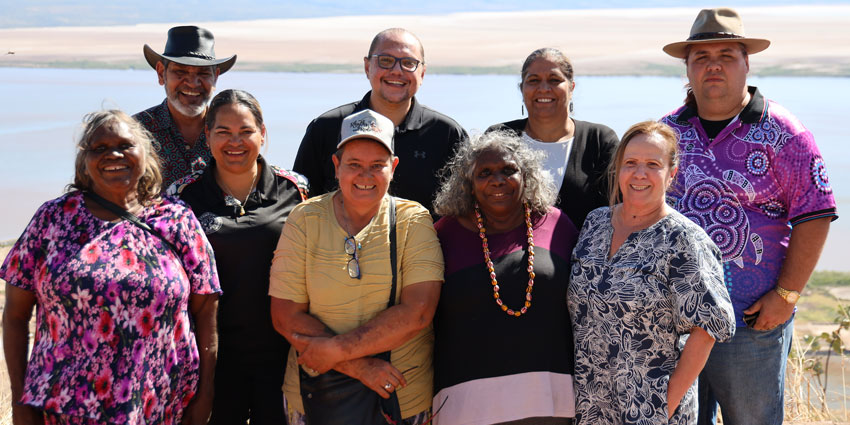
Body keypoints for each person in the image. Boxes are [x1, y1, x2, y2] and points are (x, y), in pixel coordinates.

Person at [660, 8, 838, 424]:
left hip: (751, 321)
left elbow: (815, 215)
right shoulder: (667, 133)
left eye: (726, 54)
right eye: (701, 57)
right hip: (677, 321)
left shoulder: (784, 132)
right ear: (688, 68)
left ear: (746, 63)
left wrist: (787, 295)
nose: (713, 65)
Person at [1, 110, 220, 424]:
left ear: (145, 152)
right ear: (85, 161)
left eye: (124, 145)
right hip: (65, 409)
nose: (113, 154)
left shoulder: (177, 219)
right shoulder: (53, 218)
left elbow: (206, 315)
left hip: (159, 407)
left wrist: (204, 397)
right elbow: (15, 316)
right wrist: (21, 402)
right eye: (99, 148)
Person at [270, 109, 444, 424]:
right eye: (354, 165)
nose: (365, 176)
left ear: (393, 168)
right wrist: (359, 367)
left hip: (398, 399)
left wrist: (334, 351)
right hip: (313, 398)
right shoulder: (305, 218)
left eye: (377, 166)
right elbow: (285, 315)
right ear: (336, 167)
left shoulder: (413, 219)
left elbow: (418, 312)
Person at [567, 121, 735, 425]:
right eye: (630, 163)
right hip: (591, 405)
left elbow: (708, 327)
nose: (639, 173)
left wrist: (661, 410)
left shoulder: (684, 240)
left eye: (652, 165)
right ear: (618, 168)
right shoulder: (595, 224)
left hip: (651, 410)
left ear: (671, 174)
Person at [167, 89, 308, 424]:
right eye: (223, 132)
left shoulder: (295, 190)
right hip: (212, 358)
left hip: (281, 357)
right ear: (207, 137)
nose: (235, 142)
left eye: (246, 131)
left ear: (263, 134)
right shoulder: (183, 197)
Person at [431, 131, 579, 424]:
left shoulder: (557, 224)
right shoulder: (442, 234)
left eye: (508, 170)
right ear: (469, 184)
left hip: (548, 399)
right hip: (466, 402)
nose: (497, 180)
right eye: (485, 172)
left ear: (526, 176)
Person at [292, 27, 467, 214]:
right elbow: (300, 203)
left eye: (408, 63)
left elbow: (465, 213)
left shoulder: (446, 134)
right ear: (367, 67)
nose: (397, 71)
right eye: (386, 61)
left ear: (422, 73)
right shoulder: (326, 128)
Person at [487, 48, 618, 229]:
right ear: (522, 88)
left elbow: (618, 211)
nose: (543, 89)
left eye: (554, 80)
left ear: (571, 88)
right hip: (504, 255)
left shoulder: (599, 141)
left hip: (582, 257)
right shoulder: (499, 137)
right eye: (533, 81)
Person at [134, 25, 237, 188]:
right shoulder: (134, 133)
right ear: (161, 73)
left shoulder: (233, 132)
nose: (192, 83)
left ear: (215, 77)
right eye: (180, 72)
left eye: (203, 74)